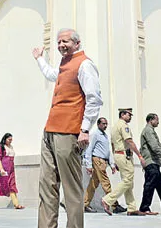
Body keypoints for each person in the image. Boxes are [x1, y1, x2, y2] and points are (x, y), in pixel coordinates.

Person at [33, 28, 102, 228]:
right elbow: (51, 74)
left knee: (71, 190)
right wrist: (39, 58)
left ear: (77, 43)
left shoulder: (85, 65)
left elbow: (94, 99)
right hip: (50, 131)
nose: (62, 45)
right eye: (59, 42)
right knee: (47, 185)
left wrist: (85, 129)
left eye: (66, 42)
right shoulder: (65, 64)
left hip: (69, 131)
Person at [100, 108, 147, 216]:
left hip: (118, 155)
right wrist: (139, 156)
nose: (130, 117)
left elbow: (112, 144)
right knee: (128, 181)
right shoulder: (124, 126)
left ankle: (131, 208)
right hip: (124, 156)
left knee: (128, 183)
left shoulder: (114, 126)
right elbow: (129, 141)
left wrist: (115, 159)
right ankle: (108, 200)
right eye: (129, 115)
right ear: (122, 114)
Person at [82, 117, 126, 214]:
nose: (105, 125)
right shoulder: (95, 134)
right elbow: (89, 149)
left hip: (103, 161)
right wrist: (88, 164)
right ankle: (114, 205)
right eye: (103, 124)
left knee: (93, 184)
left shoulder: (105, 136)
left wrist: (112, 164)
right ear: (98, 124)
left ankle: (85, 204)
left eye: (106, 124)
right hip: (98, 160)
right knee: (106, 183)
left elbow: (108, 151)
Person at [0, 133, 24, 210]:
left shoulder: (11, 147)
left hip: (10, 170)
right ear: (5, 139)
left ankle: (16, 204)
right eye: (9, 139)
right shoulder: (0, 147)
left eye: (11, 140)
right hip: (0, 170)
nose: (10, 141)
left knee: (12, 185)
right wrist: (1, 169)